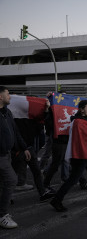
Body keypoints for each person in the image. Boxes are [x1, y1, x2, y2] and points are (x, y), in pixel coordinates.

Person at [43, 91, 87, 190]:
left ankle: (82, 181)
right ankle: (45, 184)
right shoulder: (53, 110)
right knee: (56, 164)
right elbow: (48, 125)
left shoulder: (72, 110)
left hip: (69, 140)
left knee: (74, 163)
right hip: (59, 141)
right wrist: (48, 109)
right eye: (62, 97)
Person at [0, 86, 31, 229]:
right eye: (7, 94)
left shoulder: (7, 113)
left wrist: (24, 147)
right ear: (0, 97)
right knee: (12, 179)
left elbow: (15, 132)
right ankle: (2, 215)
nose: (10, 97)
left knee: (3, 183)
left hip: (7, 154)